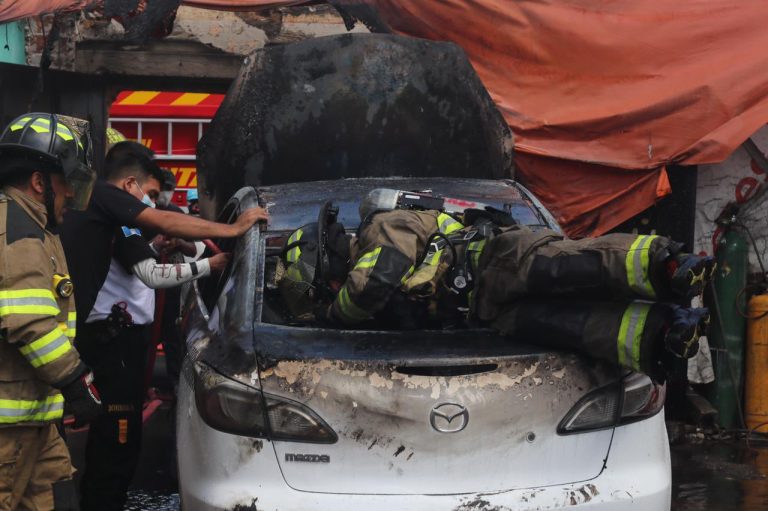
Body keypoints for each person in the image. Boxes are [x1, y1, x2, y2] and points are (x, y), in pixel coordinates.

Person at [279, 188, 714, 378]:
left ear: (327, 257)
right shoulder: (366, 266)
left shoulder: (385, 226)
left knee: (582, 265)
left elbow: (378, 280)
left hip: (494, 261)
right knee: (579, 327)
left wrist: (332, 319)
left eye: (327, 283)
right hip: (487, 316)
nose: (334, 287)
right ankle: (667, 334)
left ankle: (672, 267)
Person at [75, 162, 231, 511]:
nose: (154, 204)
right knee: (116, 442)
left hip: (126, 344)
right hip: (117, 346)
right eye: (151, 195)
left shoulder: (123, 226)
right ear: (130, 184)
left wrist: (187, 250)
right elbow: (152, 274)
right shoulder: (123, 223)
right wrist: (210, 265)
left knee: (119, 442)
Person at [0, 113, 103, 510]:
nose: (72, 196)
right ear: (39, 182)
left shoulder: (34, 225)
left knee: (57, 496)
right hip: (9, 429)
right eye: (67, 184)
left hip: (35, 418)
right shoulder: (18, 234)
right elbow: (31, 323)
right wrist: (78, 382)